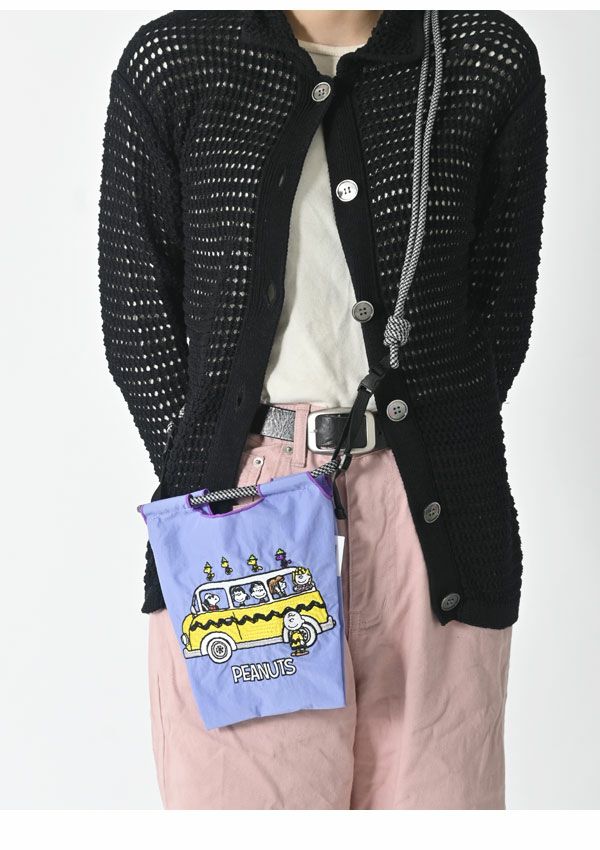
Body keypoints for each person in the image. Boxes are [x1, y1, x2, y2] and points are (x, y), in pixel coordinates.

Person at [98, 9, 547, 809]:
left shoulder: (479, 58)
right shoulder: (177, 61)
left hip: (434, 513)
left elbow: (493, 319)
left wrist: (423, 448)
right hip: (243, 516)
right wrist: (223, 477)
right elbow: (140, 320)